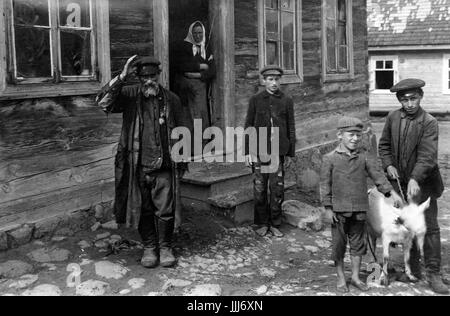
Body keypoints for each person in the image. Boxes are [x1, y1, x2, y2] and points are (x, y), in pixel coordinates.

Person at [95, 56, 193, 269]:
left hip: (165, 166)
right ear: (138, 78)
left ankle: (165, 247)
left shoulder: (171, 99)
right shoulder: (130, 96)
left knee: (165, 209)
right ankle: (149, 246)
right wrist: (122, 77)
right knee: (144, 208)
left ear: (158, 75)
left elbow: (185, 130)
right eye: (144, 77)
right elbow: (102, 101)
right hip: (138, 165)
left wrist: (183, 160)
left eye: (152, 76)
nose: (149, 80)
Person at [378, 78, 449, 294]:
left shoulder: (429, 122)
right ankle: (414, 269)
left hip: (424, 183)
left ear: (421, 97)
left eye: (414, 99)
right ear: (400, 100)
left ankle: (434, 274)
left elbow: (427, 156)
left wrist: (416, 178)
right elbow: (384, 145)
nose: (410, 104)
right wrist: (389, 164)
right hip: (398, 182)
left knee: (429, 227)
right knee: (406, 225)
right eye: (405, 100)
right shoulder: (392, 117)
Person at [320, 117, 403, 293]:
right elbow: (324, 185)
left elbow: (378, 176)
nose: (355, 139)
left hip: (359, 210)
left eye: (358, 135)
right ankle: (342, 279)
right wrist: (327, 208)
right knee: (339, 246)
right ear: (339, 135)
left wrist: (391, 192)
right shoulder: (330, 159)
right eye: (351, 135)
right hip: (338, 212)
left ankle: (356, 277)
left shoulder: (364, 158)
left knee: (358, 246)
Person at [244, 65, 296, 238]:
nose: (274, 83)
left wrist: (289, 153)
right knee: (259, 189)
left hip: (278, 153)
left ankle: (275, 223)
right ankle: (261, 223)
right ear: (264, 81)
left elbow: (291, 128)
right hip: (259, 151)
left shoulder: (287, 100)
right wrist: (248, 152)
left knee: (277, 189)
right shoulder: (256, 100)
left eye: (277, 79)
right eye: (270, 79)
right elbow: (249, 126)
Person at [172, 21, 216, 131]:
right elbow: (181, 66)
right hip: (184, 86)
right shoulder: (184, 46)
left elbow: (213, 70)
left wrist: (197, 74)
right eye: (195, 33)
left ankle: (202, 142)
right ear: (191, 33)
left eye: (200, 33)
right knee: (186, 114)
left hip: (200, 84)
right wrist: (201, 65)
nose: (198, 35)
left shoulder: (206, 48)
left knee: (201, 113)